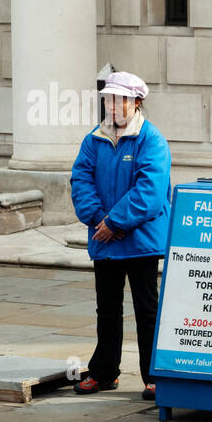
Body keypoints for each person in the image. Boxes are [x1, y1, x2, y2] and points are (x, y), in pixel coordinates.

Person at [69, 70, 172, 399]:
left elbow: (150, 192)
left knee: (147, 310)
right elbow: (80, 181)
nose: (112, 106)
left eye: (119, 100)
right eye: (108, 100)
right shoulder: (93, 139)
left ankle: (154, 377)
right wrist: (99, 219)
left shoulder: (151, 140)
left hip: (140, 240)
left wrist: (114, 223)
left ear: (136, 102)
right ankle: (104, 373)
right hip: (106, 237)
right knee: (107, 309)